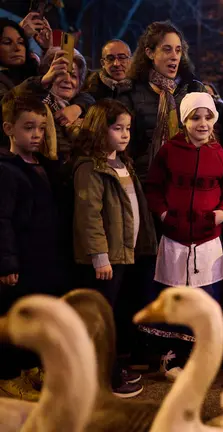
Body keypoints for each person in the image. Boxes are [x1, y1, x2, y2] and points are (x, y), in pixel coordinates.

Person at [142, 92, 223, 381]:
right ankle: (169, 357)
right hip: (174, 238)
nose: (203, 123)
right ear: (184, 121)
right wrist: (163, 215)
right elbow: (154, 188)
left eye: (208, 117)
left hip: (208, 242)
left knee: (204, 299)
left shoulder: (222, 157)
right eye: (196, 117)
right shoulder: (169, 152)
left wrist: (222, 213)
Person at [71, 99, 157, 398]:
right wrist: (100, 257)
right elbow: (89, 215)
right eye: (117, 128)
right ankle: (100, 376)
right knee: (99, 319)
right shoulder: (90, 168)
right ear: (99, 129)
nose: (125, 134)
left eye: (128, 128)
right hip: (105, 259)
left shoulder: (123, 163)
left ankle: (111, 368)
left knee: (115, 314)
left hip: (125, 253)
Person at [0, 95, 64, 400]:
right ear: (9, 128)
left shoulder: (44, 166)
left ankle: (31, 368)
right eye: (28, 128)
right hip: (21, 262)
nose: (36, 134)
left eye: (41, 127)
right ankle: (10, 374)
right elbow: (2, 221)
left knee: (38, 318)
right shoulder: (6, 170)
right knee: (17, 319)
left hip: (43, 260)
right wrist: (7, 263)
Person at [119, 21, 205, 181]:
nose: (174, 56)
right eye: (167, 49)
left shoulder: (194, 90)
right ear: (150, 53)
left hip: (187, 182)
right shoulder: (130, 93)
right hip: (144, 183)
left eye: (178, 50)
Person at [16, 47, 94, 161]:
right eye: (61, 74)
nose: (68, 80)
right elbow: (13, 100)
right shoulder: (35, 106)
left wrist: (78, 108)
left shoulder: (84, 107)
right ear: (48, 74)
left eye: (73, 76)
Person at [0, 18, 45, 154]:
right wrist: (40, 82)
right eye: (7, 42)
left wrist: (48, 49)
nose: (17, 48)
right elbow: (6, 105)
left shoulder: (31, 72)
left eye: (21, 42)